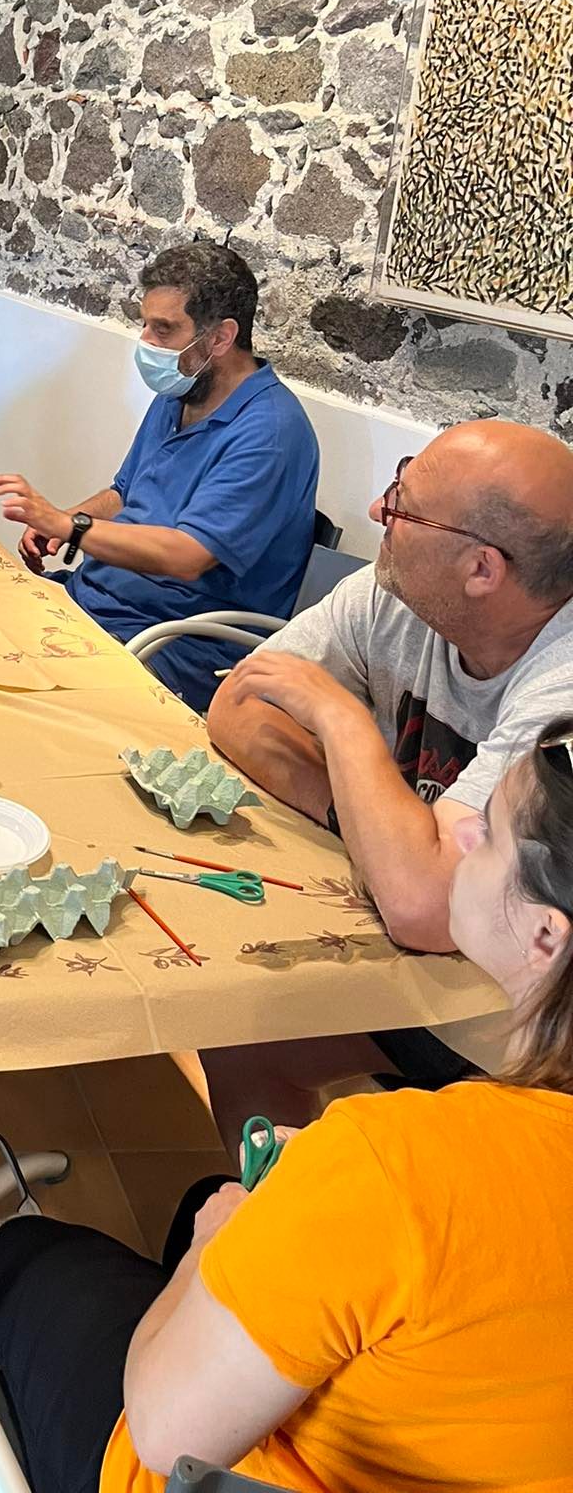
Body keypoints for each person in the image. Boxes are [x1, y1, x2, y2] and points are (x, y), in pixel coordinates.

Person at [0, 723, 573, 1493]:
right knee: (208, 1197)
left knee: (29, 1254)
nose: (458, 831)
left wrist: (210, 1247)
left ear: (547, 936)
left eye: (488, 834)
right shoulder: (414, 1165)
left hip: (208, 1464)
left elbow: (165, 1438)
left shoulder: (397, 1160)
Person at [199, 417, 573, 1121]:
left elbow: (424, 908)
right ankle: (287, 1194)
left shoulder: (562, 687)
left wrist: (342, 721)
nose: (377, 510)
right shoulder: (396, 593)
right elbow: (239, 704)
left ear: (482, 570)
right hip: (433, 961)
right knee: (241, 1022)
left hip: (529, 1034)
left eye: (404, 504)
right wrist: (367, 823)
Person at [0, 243, 319, 712]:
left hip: (175, 643)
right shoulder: (180, 393)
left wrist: (71, 528)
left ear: (221, 337)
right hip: (97, 603)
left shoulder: (270, 432)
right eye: (144, 324)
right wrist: (63, 519)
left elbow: (187, 557)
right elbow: (125, 494)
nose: (145, 341)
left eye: (163, 329)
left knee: (8, 695)